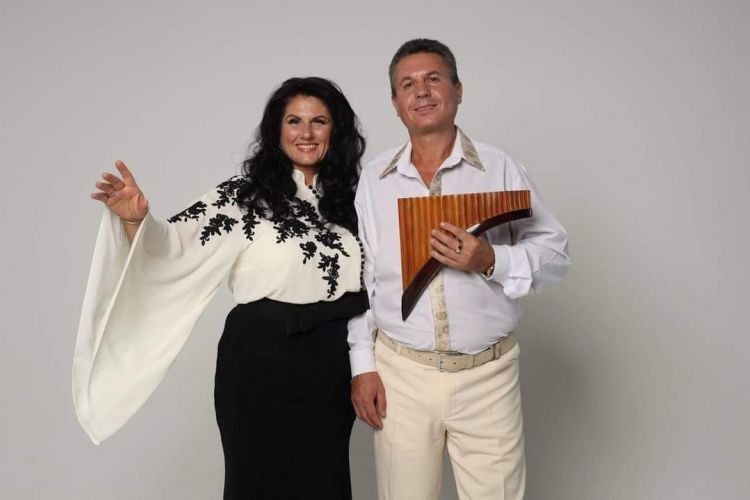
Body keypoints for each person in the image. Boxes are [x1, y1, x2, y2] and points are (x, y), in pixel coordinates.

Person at [73, 77, 368, 499]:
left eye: (318, 121)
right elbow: (175, 246)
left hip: (330, 363)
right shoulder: (244, 196)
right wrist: (137, 220)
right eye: (294, 121)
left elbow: (377, 285)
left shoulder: (353, 201)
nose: (306, 132)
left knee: (325, 481)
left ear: (335, 130)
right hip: (257, 360)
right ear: (277, 130)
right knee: (255, 481)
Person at [348, 39, 570, 499]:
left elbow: (556, 255)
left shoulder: (500, 168)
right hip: (401, 375)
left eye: (434, 79)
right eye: (407, 84)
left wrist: (491, 260)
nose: (421, 92)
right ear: (395, 103)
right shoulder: (374, 179)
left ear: (458, 90)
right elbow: (362, 280)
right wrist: (362, 366)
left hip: (488, 375)